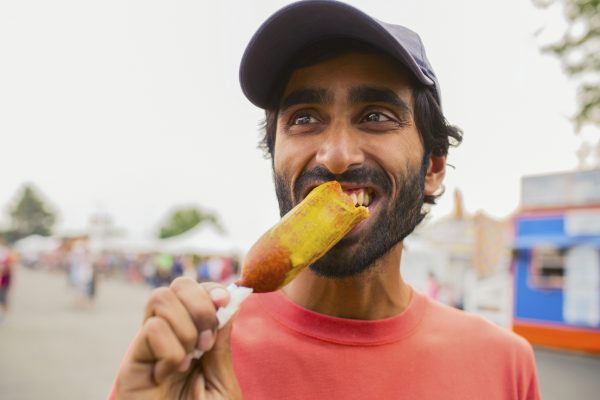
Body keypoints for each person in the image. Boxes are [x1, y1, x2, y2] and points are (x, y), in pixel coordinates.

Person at [111, 1, 540, 399]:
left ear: (433, 168)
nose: (335, 156)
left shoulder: (505, 365)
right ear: (274, 156)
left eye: (375, 116)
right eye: (304, 119)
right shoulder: (188, 359)